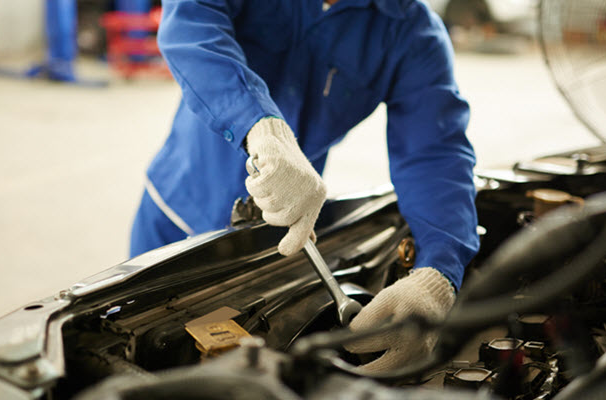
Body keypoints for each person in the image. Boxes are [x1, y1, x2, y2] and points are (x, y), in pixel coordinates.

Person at [130, 0, 480, 372]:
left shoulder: (411, 31)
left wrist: (438, 273)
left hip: (274, 237)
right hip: (176, 209)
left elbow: (435, 154)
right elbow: (191, 22)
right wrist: (257, 122)